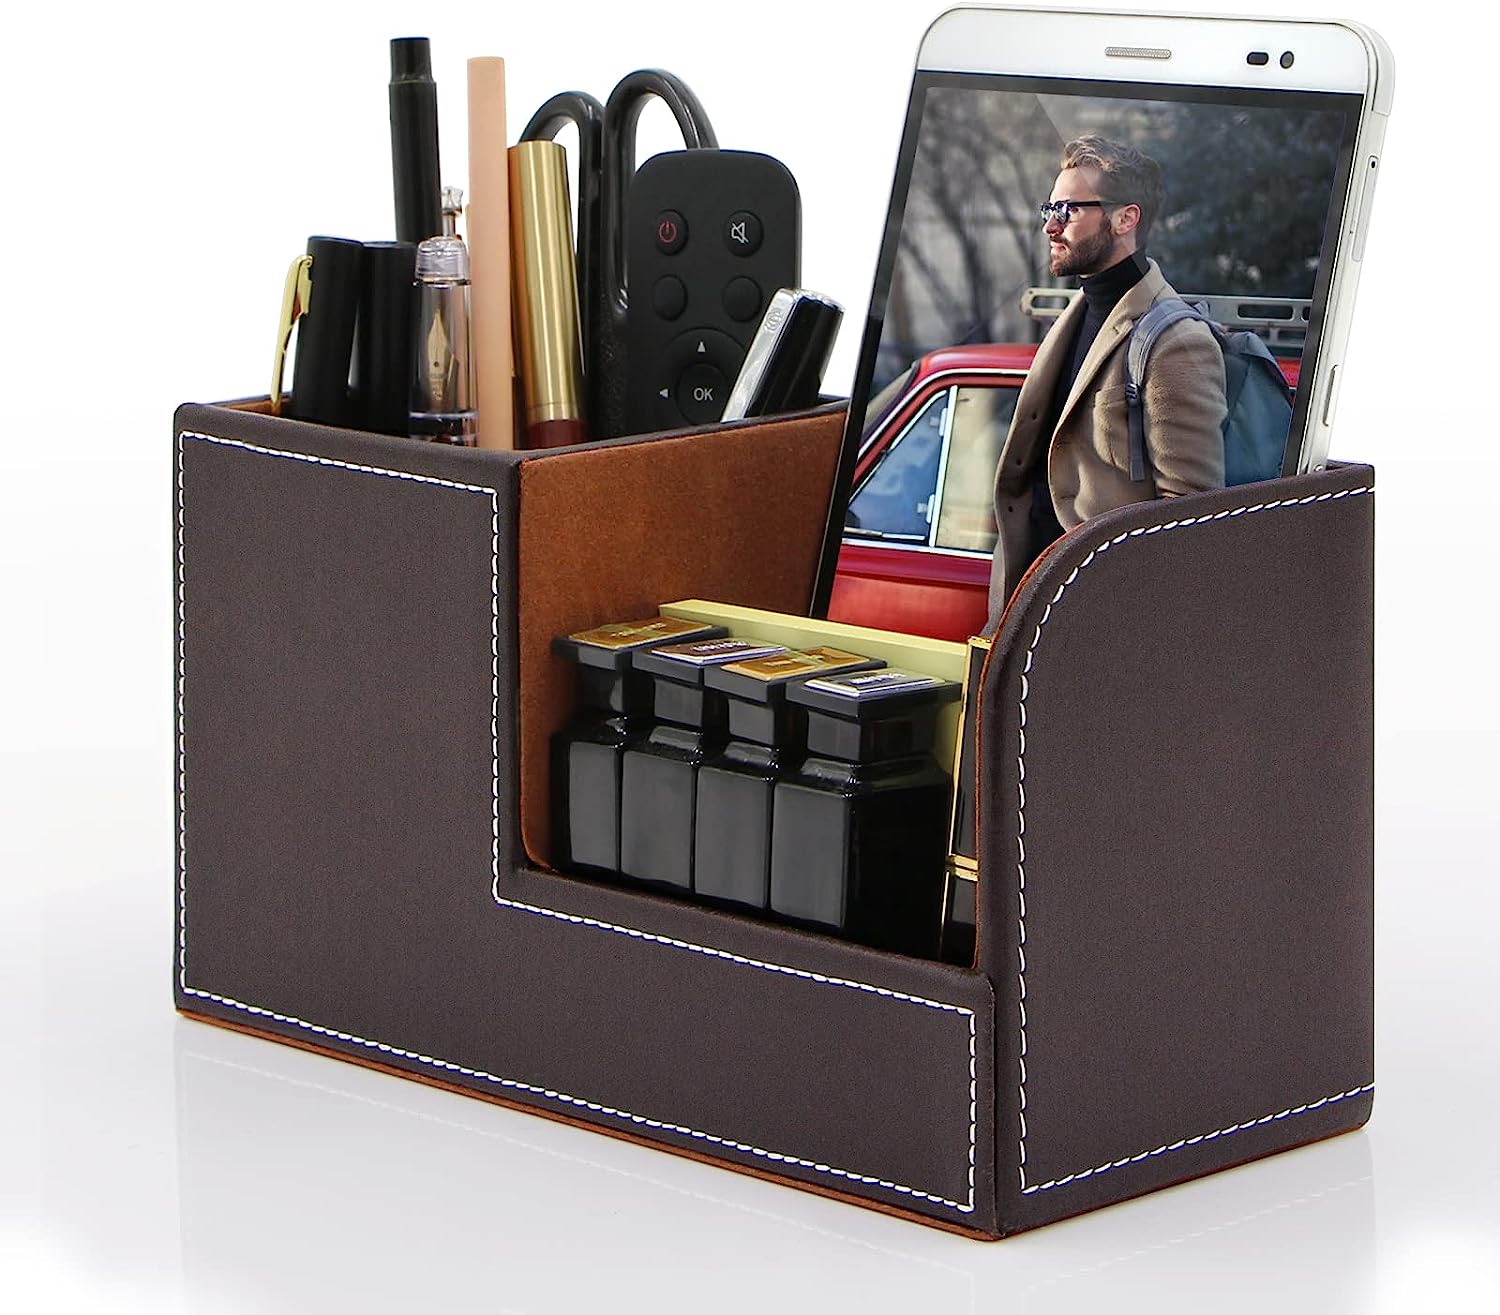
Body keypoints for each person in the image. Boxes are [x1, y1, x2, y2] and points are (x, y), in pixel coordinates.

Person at [987, 136, 1227, 619]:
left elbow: (1188, 525)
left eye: (1068, 210)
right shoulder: (1076, 315)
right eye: (1049, 209)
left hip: (1098, 621)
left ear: (1125, 219)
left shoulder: (1177, 341)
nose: (1050, 226)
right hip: (1025, 606)